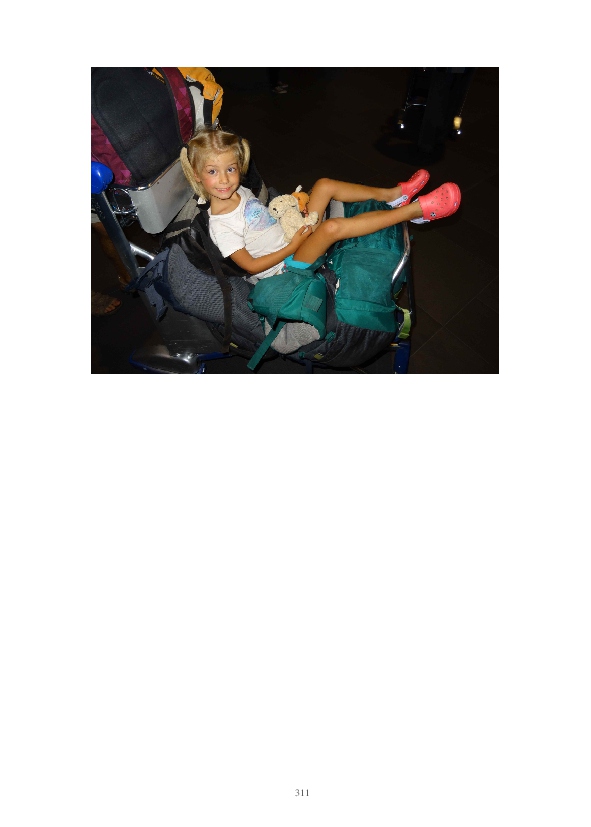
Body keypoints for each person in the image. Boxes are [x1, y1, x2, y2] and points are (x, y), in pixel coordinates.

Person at [179, 127, 461, 283]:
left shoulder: (237, 190)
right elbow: (251, 267)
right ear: (197, 175)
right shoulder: (221, 227)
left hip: (291, 236)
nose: (225, 179)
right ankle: (416, 211)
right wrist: (293, 245)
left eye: (231, 169)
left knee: (324, 185)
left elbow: (261, 221)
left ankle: (394, 195)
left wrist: (292, 211)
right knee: (331, 228)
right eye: (213, 171)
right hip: (285, 268)